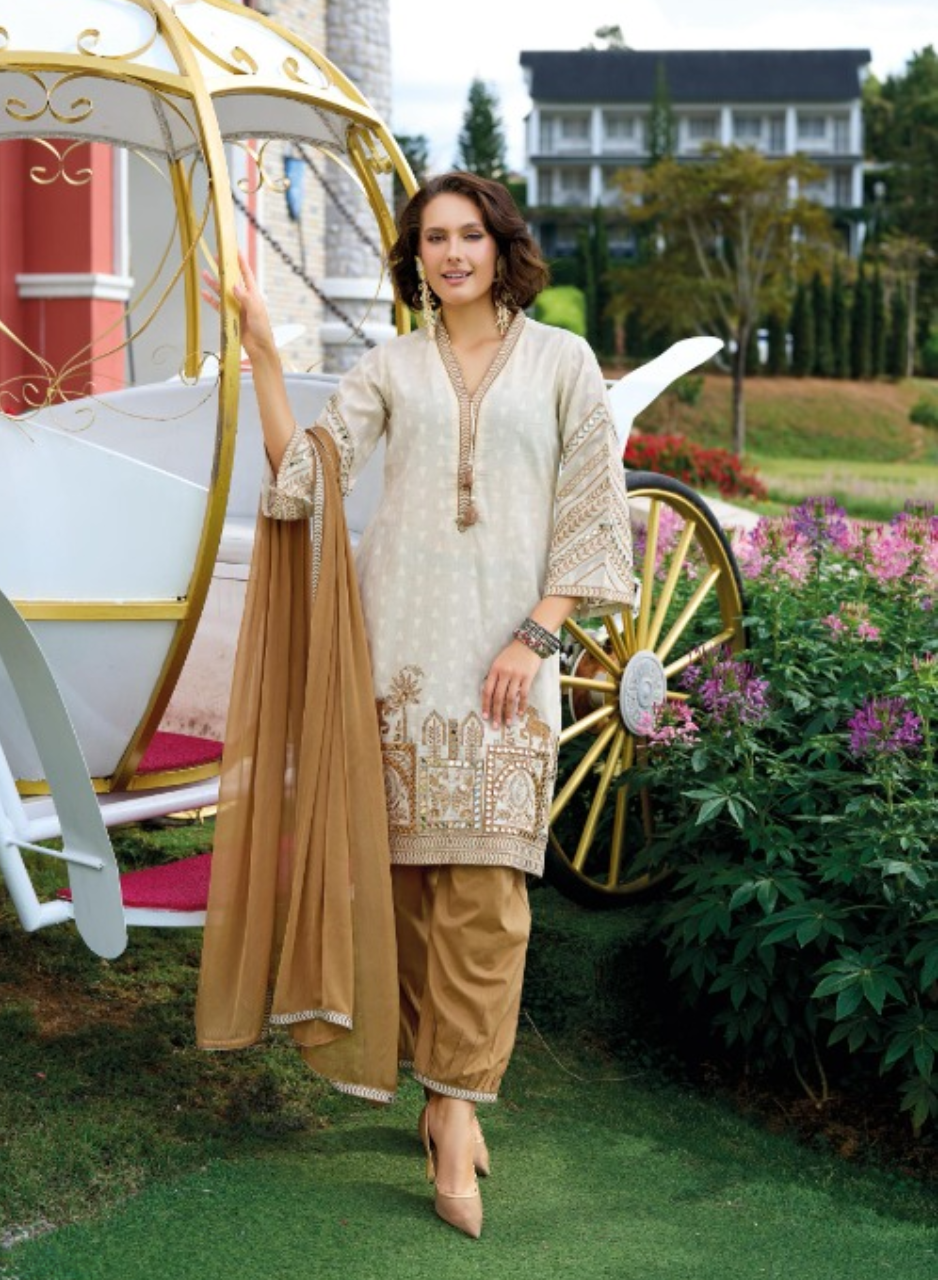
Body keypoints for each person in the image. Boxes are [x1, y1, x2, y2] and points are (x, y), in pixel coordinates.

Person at [197, 172, 634, 1239]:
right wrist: (261, 351)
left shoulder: (562, 362)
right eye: (433, 237)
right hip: (396, 660)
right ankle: (442, 1095)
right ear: (416, 257)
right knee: (402, 894)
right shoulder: (390, 367)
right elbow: (303, 477)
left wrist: (538, 632)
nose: (452, 253)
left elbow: (591, 512)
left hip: (507, 665)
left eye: (469, 234)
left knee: (489, 897)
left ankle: (454, 1109)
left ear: (501, 246)